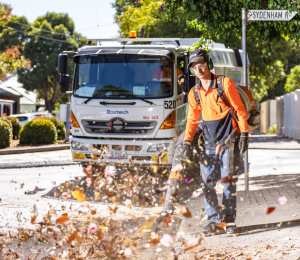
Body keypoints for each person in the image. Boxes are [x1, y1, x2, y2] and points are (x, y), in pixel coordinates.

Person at [182, 49, 249, 236]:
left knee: (228, 183)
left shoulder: (224, 83)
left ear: (208, 63)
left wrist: (244, 134)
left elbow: (240, 109)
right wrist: (187, 141)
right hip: (209, 144)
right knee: (207, 184)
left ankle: (228, 220)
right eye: (194, 66)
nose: (198, 68)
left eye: (201, 63)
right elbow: (192, 120)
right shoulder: (194, 93)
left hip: (227, 142)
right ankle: (212, 221)